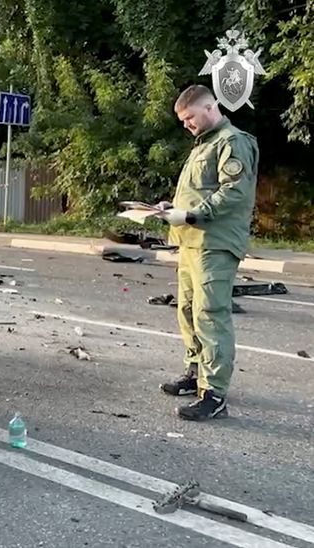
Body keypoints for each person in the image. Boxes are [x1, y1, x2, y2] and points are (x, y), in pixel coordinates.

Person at [155, 84, 259, 421]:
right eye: (182, 120)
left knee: (210, 314)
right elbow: (198, 193)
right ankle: (195, 373)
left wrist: (192, 213)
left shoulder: (232, 142)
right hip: (191, 242)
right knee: (187, 310)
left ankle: (214, 394)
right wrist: (174, 208)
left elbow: (234, 192)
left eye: (189, 117)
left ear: (210, 107)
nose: (186, 125)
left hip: (215, 243)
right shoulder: (205, 145)